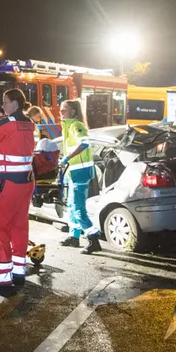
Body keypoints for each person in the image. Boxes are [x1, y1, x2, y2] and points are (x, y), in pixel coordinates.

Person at [0, 88, 36, 295]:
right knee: (19, 225)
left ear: (14, 103)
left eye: (4, 102)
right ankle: (18, 271)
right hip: (26, 181)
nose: (2, 106)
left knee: (0, 226)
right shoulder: (29, 124)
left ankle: (1, 276)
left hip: (8, 183)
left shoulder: (7, 124)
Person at [58, 99, 101, 254]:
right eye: (61, 109)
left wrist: (67, 158)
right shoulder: (68, 126)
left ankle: (93, 239)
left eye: (64, 110)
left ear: (74, 112)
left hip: (81, 172)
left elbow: (84, 144)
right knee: (71, 206)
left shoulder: (76, 125)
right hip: (73, 172)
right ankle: (74, 237)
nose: (60, 112)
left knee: (78, 209)